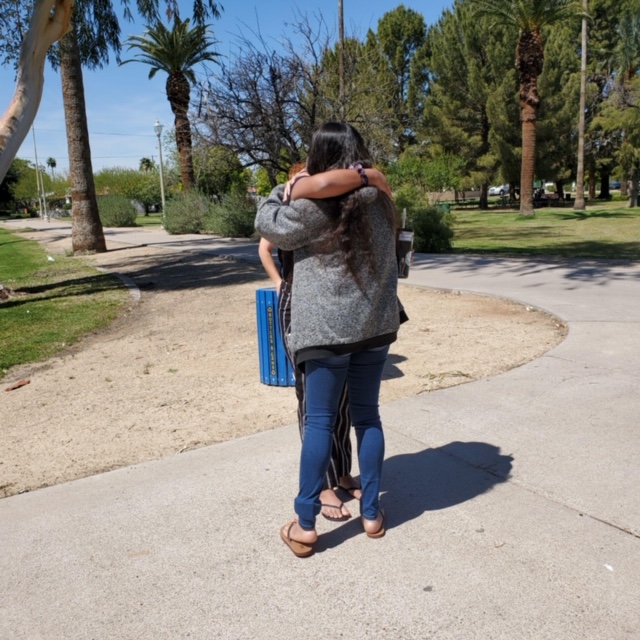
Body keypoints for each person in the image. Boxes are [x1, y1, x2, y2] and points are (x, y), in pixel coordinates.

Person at [255, 122, 399, 557]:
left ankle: (304, 525)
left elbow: (266, 221)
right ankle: (372, 514)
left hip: (325, 332)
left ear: (318, 158)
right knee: (367, 418)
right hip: (375, 325)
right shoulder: (381, 199)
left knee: (319, 422)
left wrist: (290, 184)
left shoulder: (312, 208)